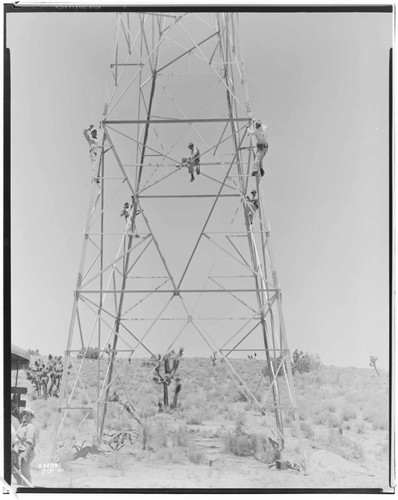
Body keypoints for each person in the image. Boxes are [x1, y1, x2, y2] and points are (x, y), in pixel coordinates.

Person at [13, 407, 38, 487]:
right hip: (19, 452)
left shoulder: (30, 427)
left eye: (28, 415)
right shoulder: (22, 425)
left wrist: (25, 454)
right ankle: (21, 487)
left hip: (27, 452)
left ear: (31, 417)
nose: (25, 416)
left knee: (25, 473)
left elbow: (29, 442)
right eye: (24, 414)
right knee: (17, 471)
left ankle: (28, 490)